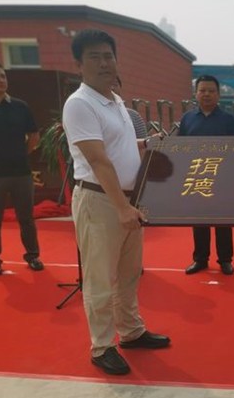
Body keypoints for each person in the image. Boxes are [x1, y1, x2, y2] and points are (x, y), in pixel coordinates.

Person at [62, 29, 170, 376]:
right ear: (78, 64)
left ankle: (132, 331)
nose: (104, 63)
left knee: (128, 274)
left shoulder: (115, 101)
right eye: (94, 57)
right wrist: (122, 208)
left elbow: (117, 147)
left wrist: (146, 144)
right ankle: (102, 346)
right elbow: (98, 159)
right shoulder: (80, 104)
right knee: (100, 278)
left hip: (127, 200)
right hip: (100, 201)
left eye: (108, 56)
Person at [0, 60, 44, 276]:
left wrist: (20, 154)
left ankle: (33, 255)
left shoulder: (20, 106)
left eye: (3, 76)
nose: (1, 80)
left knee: (26, 218)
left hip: (21, 172)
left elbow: (34, 136)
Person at [178, 74, 234, 276]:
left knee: (223, 220)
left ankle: (225, 260)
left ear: (218, 95)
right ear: (196, 94)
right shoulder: (187, 119)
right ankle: (200, 259)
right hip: (197, 177)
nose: (206, 94)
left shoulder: (229, 120)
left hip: (222, 178)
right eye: (202, 90)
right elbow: (180, 148)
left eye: (211, 91)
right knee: (199, 219)